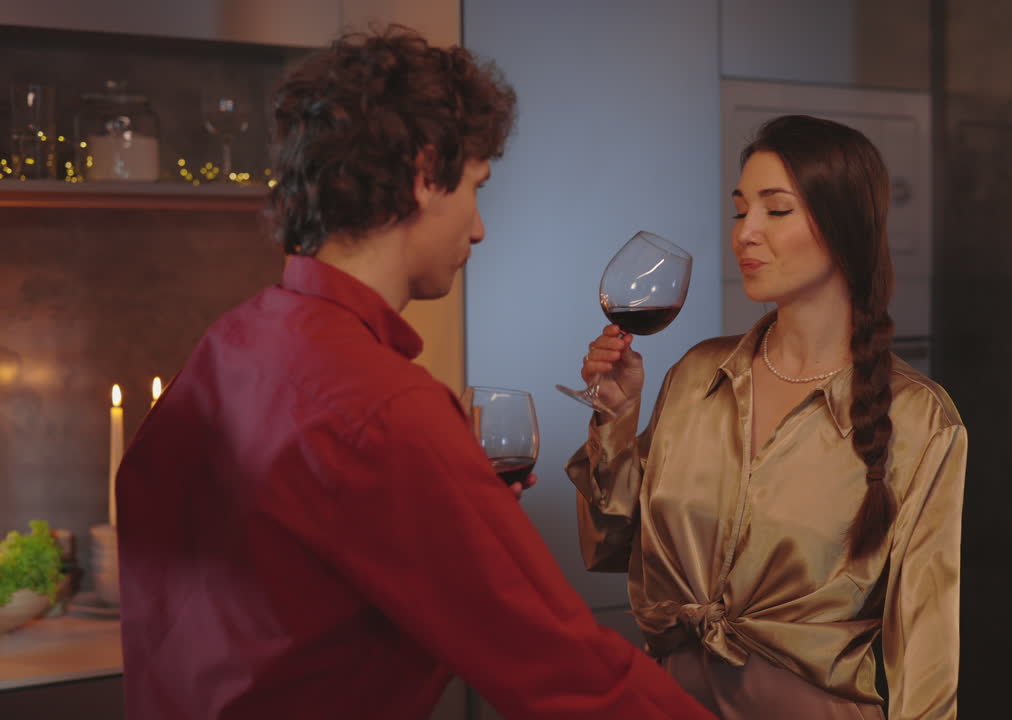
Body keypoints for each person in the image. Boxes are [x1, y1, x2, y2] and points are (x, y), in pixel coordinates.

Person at [116, 26, 715, 720]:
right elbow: (570, 672)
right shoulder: (387, 409)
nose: (479, 228)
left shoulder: (229, 344)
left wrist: (451, 507)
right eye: (476, 188)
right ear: (426, 174)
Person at [567, 115, 967, 719]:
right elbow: (607, 547)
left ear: (844, 226)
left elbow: (926, 646)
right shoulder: (696, 375)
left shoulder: (920, 419)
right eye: (740, 211)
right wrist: (615, 417)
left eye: (776, 210)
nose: (744, 233)